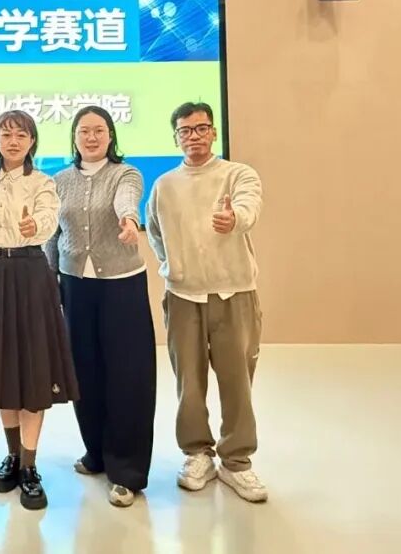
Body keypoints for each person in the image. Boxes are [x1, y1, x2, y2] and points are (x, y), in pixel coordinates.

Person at [146, 102, 267, 503]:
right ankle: (197, 453)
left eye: (201, 128)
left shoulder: (237, 174)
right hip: (183, 296)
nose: (193, 136)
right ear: (175, 138)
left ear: (213, 132)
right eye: (185, 130)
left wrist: (235, 220)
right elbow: (155, 232)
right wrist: (173, 266)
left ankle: (237, 461)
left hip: (234, 292)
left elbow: (250, 207)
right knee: (189, 383)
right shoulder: (165, 185)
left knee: (237, 381)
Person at [45, 106, 156, 508]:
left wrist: (128, 219)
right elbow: (53, 234)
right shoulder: (59, 181)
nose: (91, 137)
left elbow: (128, 200)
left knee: (128, 376)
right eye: (84, 131)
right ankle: (96, 452)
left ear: (110, 135)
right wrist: (50, 280)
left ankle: (127, 471)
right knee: (84, 372)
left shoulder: (125, 174)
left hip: (121, 285)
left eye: (99, 130)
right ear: (74, 137)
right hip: (75, 284)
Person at [0, 110, 79, 511]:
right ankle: (12, 457)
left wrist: (36, 226)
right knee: (2, 369)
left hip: (31, 274)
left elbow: (48, 218)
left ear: (32, 142)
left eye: (21, 135)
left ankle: (30, 467)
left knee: (33, 370)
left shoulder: (43, 182)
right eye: (6, 134)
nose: (13, 141)